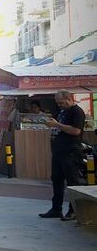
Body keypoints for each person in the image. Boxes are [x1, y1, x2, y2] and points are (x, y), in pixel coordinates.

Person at [39, 90, 85, 221]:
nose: (60, 105)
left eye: (62, 102)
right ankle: (56, 209)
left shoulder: (77, 112)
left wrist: (57, 125)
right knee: (57, 180)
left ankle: (73, 210)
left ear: (69, 99)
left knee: (72, 182)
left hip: (70, 151)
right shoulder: (62, 111)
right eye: (58, 103)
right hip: (58, 151)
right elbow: (57, 124)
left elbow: (76, 131)